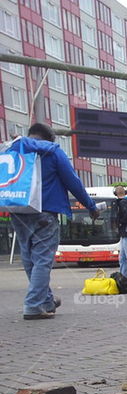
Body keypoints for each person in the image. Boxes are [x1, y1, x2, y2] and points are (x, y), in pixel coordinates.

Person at [7, 123, 99, 319]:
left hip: (18, 210)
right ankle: (33, 306)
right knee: (42, 261)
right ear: (49, 139)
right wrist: (90, 206)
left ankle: (46, 300)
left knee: (29, 259)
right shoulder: (53, 152)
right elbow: (73, 182)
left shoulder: (16, 148)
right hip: (45, 212)